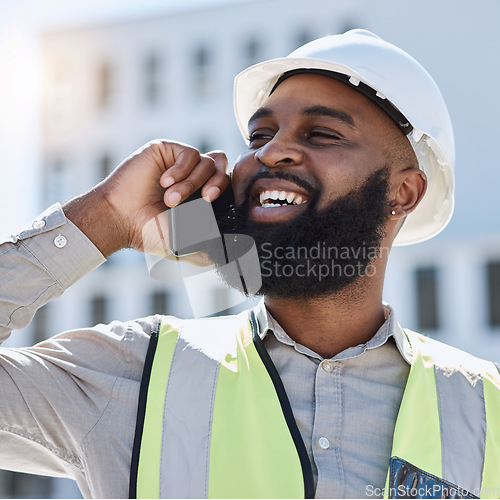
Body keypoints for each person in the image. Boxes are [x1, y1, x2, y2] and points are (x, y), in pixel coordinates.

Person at [0, 29, 499, 499]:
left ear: (404, 191)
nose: (273, 151)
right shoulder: (131, 373)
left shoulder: (486, 407)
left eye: (322, 134)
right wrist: (105, 217)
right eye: (259, 136)